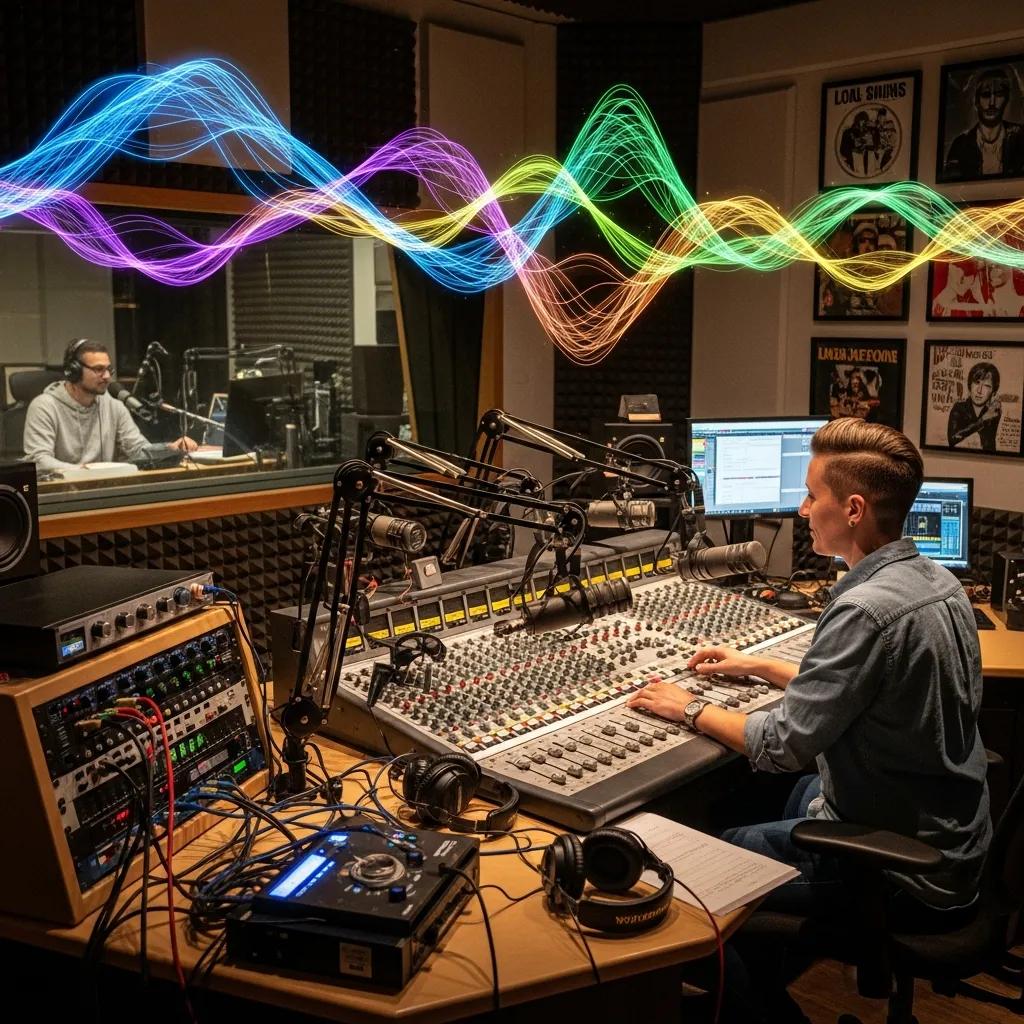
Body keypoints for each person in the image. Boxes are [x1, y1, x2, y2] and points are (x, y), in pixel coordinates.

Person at [627, 418, 991, 1022]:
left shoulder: (864, 608)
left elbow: (781, 743)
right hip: (952, 839)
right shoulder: (939, 582)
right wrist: (761, 666)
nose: (801, 509)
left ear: (851, 509)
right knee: (789, 795)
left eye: (811, 496)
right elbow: (870, 694)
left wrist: (687, 707)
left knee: (696, 880)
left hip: (905, 870)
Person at [22, 338, 197, 473]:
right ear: (72, 372)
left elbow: (137, 449)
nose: (107, 376)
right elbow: (39, 460)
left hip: (104, 490)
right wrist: (83, 472)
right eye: (98, 369)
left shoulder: (114, 406)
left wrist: (170, 448)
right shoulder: (44, 406)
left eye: (108, 369)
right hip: (62, 494)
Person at [944, 66, 1024, 179]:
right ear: (976, 101)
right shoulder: (961, 144)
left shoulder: (1020, 137)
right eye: (986, 94)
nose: (992, 103)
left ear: (1006, 99)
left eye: (999, 94)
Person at [947, 360, 1002, 450]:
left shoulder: (993, 412)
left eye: (986, 386)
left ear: (993, 392)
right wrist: (982, 420)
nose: (979, 390)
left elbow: (990, 447)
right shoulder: (959, 408)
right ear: (970, 385)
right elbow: (953, 439)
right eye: (977, 382)